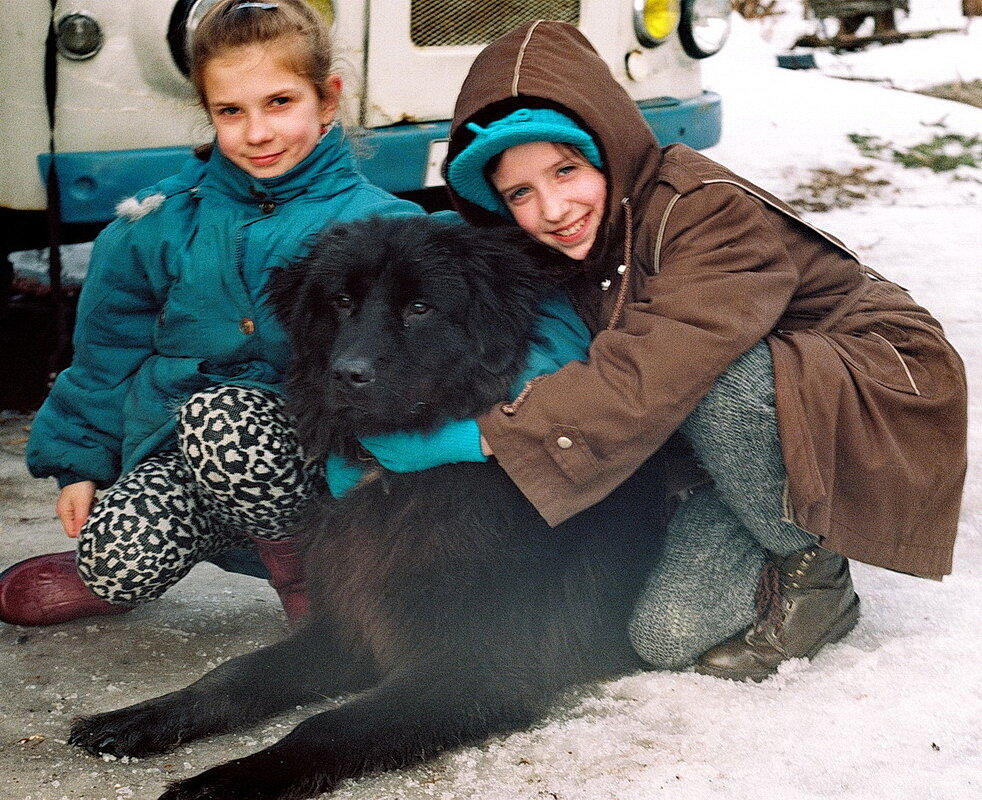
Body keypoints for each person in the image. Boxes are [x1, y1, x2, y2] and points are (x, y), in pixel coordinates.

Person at [341, 20, 968, 681]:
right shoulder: (574, 236)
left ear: (609, 147)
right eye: (520, 192)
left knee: (718, 383)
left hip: (869, 384)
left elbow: (647, 375)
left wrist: (478, 439)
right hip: (755, 429)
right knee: (663, 637)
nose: (552, 208)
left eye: (565, 169)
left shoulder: (703, 210)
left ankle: (817, 579)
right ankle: (752, 502)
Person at [0, 0, 434, 627]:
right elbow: (107, 352)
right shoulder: (160, 224)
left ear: (329, 99)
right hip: (192, 447)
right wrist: (80, 462)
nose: (256, 133)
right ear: (208, 114)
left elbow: (416, 365)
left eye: (280, 103)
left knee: (223, 419)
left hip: (327, 467)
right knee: (117, 556)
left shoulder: (383, 227)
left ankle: (317, 582)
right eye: (232, 111)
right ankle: (130, 568)